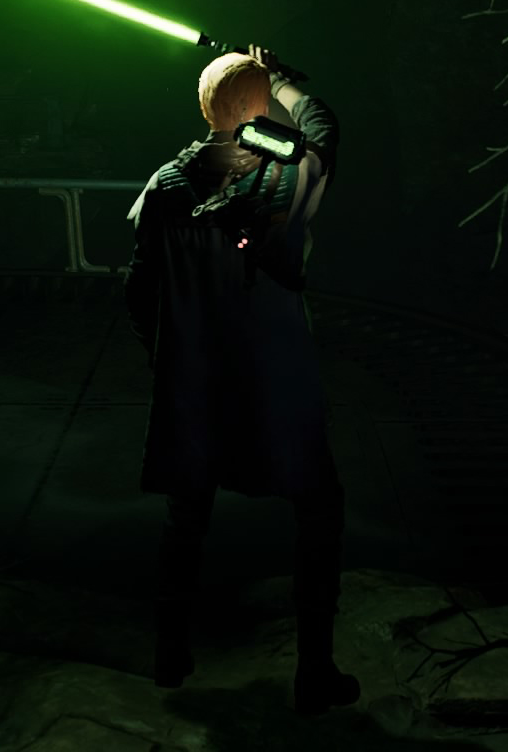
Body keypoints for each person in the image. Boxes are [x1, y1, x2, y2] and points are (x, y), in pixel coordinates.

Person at [124, 45, 359, 715]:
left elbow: (138, 289)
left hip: (196, 378)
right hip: (274, 379)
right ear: (258, 108)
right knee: (319, 507)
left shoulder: (164, 185)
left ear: (204, 108)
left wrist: (167, 356)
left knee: (187, 512)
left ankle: (170, 655)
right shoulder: (287, 173)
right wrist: (281, 80)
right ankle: (314, 671)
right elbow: (322, 128)